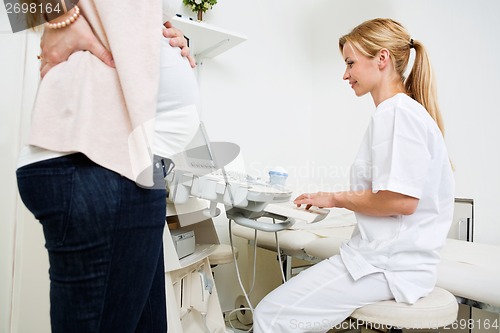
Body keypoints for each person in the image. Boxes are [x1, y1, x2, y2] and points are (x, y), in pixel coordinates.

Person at [253, 18, 454, 333]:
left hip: (387, 267)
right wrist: (331, 199)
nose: (345, 74)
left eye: (350, 63)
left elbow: (400, 201)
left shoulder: (397, 113)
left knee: (270, 316)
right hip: (388, 261)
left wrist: (335, 198)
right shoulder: (401, 112)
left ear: (382, 59)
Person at [16, 0, 200, 332]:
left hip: (131, 166)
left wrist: (167, 35)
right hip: (97, 163)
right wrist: (60, 21)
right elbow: (23, 9)